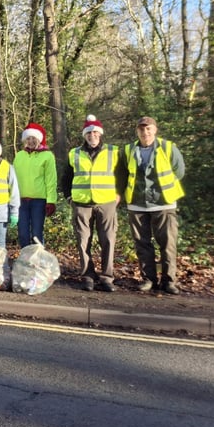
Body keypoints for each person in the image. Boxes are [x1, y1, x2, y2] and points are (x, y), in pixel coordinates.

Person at [119, 116, 186, 294]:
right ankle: (149, 279)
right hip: (137, 204)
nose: (145, 132)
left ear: (155, 130)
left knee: (168, 243)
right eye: (141, 129)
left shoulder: (168, 147)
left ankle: (169, 281)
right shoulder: (127, 150)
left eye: (148, 129)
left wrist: (161, 189)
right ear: (137, 131)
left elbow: (179, 171)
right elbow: (122, 175)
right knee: (142, 244)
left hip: (164, 203)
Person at [60, 115, 124, 292]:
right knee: (83, 241)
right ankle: (88, 275)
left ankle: (107, 277)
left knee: (108, 240)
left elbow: (122, 175)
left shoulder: (113, 151)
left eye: (95, 132)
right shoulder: (75, 153)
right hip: (81, 203)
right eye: (89, 133)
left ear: (100, 134)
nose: (92, 135)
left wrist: (120, 194)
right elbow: (66, 178)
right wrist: (69, 197)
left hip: (107, 202)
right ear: (84, 135)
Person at [12, 122, 57, 247]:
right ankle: (25, 261)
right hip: (21, 201)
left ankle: (38, 260)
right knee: (22, 234)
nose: (31, 141)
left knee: (36, 234)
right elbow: (13, 178)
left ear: (39, 139)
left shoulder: (47, 156)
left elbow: (51, 179)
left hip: (39, 201)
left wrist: (51, 201)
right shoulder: (19, 156)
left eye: (33, 138)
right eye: (28, 138)